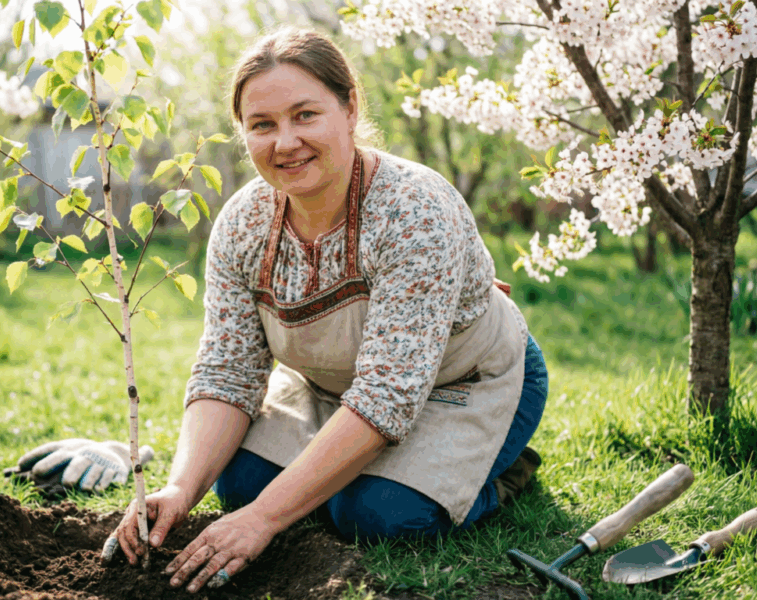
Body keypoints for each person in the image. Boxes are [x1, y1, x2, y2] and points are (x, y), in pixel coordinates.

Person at [106, 26, 549, 593]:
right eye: (262, 125)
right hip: (331, 387)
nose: (285, 142)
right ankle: (339, 476)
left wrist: (266, 520)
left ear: (350, 108)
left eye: (305, 115)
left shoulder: (412, 210)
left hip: (465, 379)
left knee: (378, 515)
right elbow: (228, 371)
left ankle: (503, 471)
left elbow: (387, 394)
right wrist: (179, 489)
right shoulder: (243, 224)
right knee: (238, 485)